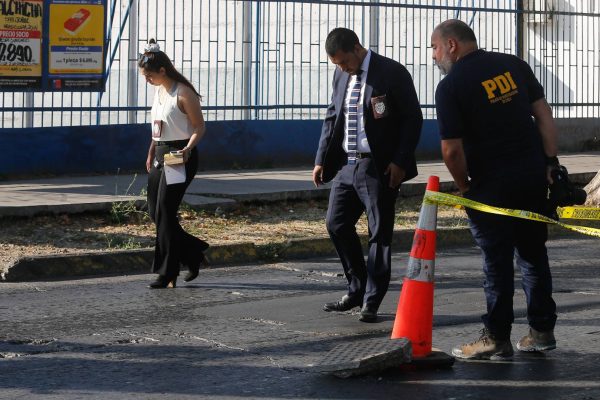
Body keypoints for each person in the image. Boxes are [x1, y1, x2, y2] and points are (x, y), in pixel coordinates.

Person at [431, 19, 559, 360]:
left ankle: (496, 338)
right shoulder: (513, 65)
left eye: (435, 47)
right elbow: (543, 115)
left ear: (452, 45)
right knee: (533, 254)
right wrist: (551, 162)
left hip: (490, 187)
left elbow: (451, 151)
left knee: (497, 263)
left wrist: (464, 187)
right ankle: (542, 332)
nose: (433, 55)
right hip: (532, 177)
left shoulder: (451, 87)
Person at [313, 28, 423, 322]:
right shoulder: (340, 76)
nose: (342, 68)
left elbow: (413, 119)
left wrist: (400, 161)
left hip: (379, 167)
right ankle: (356, 288)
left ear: (357, 48)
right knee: (336, 224)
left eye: (344, 61)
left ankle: (372, 300)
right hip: (347, 166)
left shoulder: (391, 72)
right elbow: (332, 116)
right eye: (336, 64)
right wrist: (321, 159)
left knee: (379, 233)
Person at [139, 39, 209, 289]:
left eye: (148, 75)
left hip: (180, 154)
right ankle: (193, 252)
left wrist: (188, 148)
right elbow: (157, 129)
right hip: (160, 152)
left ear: (162, 71)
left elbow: (199, 127)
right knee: (154, 212)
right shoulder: (159, 91)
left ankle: (167, 272)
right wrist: (151, 152)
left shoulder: (183, 92)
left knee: (166, 212)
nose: (146, 80)